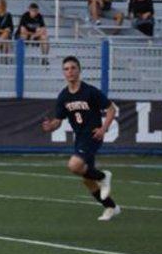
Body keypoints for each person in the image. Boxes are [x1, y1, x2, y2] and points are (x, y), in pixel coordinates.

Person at [40, 56, 121, 221]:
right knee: (87, 180)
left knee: (74, 165)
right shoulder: (63, 96)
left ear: (79, 70)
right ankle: (111, 207)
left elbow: (111, 109)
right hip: (79, 138)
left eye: (73, 68)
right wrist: (50, 126)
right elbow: (58, 120)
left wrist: (103, 128)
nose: (70, 71)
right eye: (66, 69)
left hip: (92, 136)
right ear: (63, 72)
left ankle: (104, 176)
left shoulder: (90, 91)